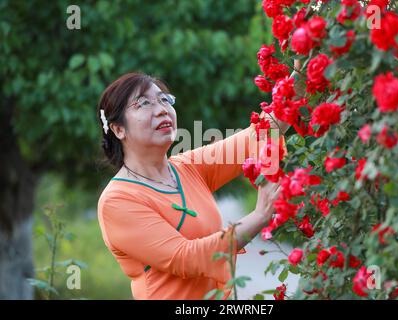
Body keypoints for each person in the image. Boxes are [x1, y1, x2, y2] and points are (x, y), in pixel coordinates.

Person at [96, 64, 298, 300]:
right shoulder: (117, 201)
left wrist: (301, 71)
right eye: (144, 103)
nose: (162, 110)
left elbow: (262, 133)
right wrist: (260, 215)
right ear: (119, 129)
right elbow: (185, 258)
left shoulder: (187, 167)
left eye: (164, 100)